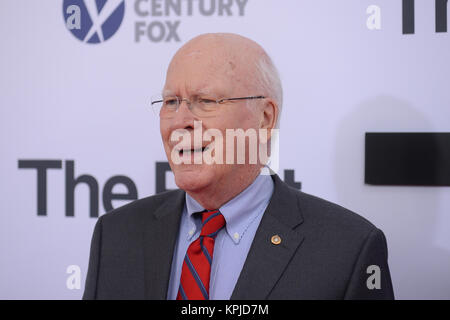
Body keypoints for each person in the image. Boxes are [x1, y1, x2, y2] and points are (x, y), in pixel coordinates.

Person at [83, 33, 394, 300]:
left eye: (205, 101)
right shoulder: (116, 235)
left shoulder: (348, 249)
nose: (179, 123)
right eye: (171, 102)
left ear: (265, 118)